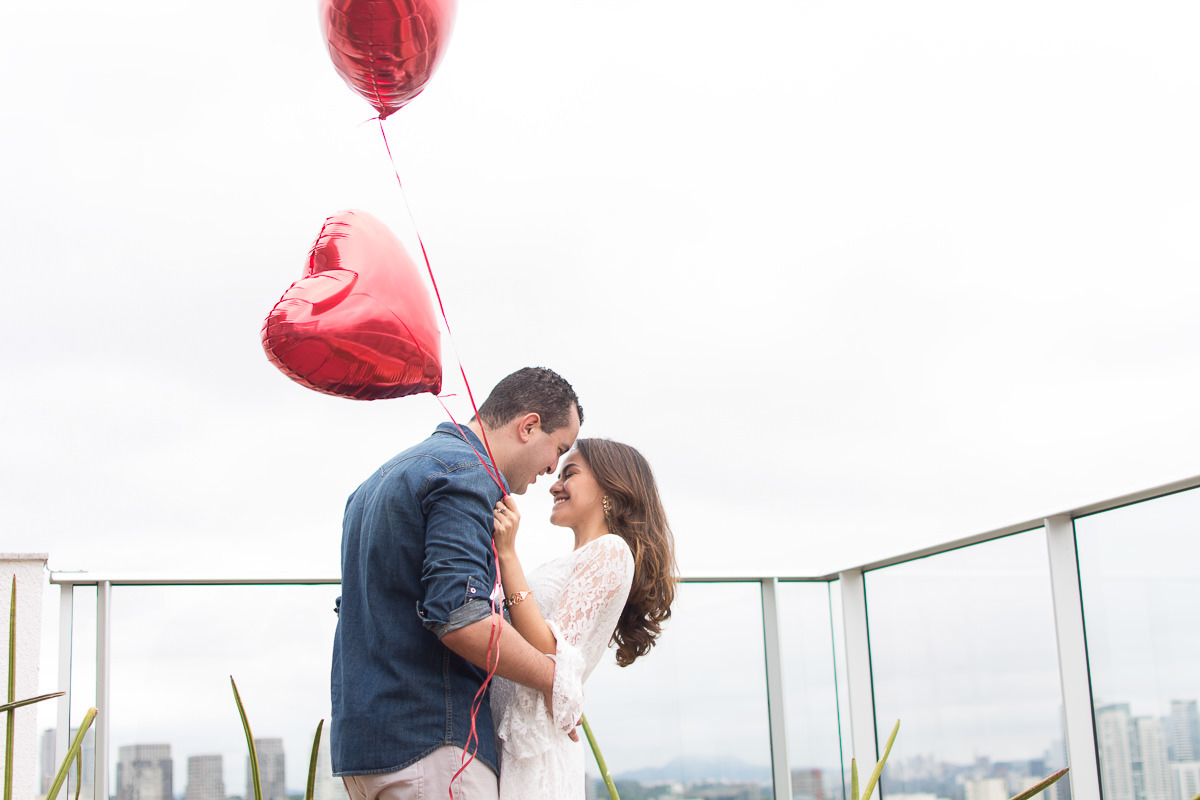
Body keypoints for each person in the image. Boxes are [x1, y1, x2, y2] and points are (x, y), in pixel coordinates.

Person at [331, 367, 585, 800]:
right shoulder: (466, 476)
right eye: (557, 449)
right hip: (434, 747)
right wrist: (555, 679)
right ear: (528, 426)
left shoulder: (373, 484)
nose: (551, 468)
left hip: (362, 750)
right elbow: (461, 618)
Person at [489, 438, 678, 799]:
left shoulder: (611, 551)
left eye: (569, 474)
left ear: (611, 485)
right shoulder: (576, 560)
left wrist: (508, 555)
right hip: (513, 734)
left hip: (532, 749)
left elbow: (552, 656)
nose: (554, 485)